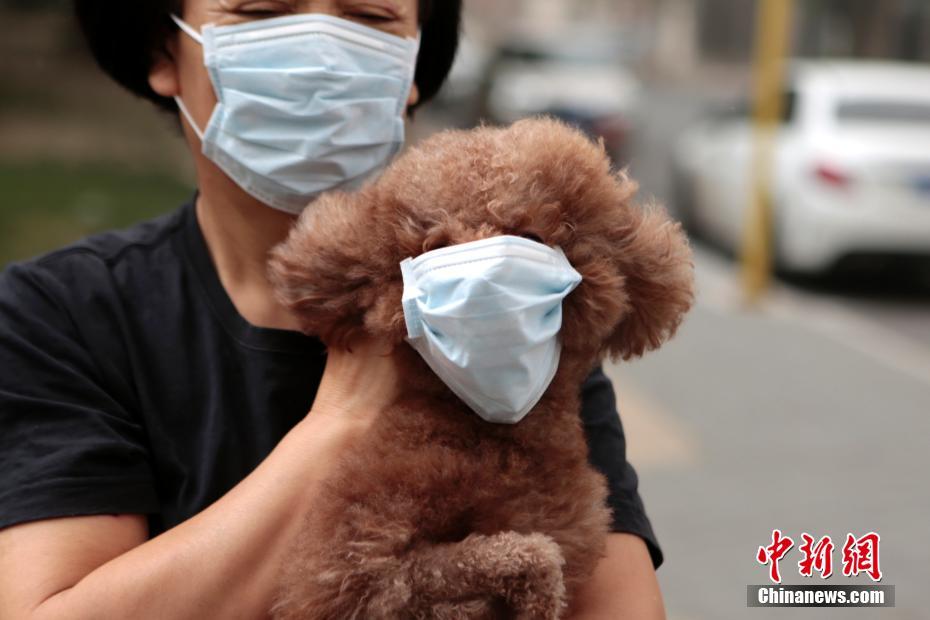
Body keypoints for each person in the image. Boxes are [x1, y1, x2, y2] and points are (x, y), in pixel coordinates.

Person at [0, 1, 666, 617]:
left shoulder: (513, 312)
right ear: (165, 52)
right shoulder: (62, 317)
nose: (321, 53)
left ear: (411, 66)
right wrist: (349, 415)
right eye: (262, 11)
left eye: (370, 15)